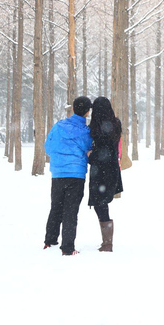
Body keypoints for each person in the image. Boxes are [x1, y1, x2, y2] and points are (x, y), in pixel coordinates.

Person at [43, 96, 93, 256]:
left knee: (56, 206)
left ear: (72, 109)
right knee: (71, 211)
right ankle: (68, 247)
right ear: (87, 112)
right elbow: (89, 150)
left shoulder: (58, 127)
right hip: (76, 175)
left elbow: (48, 148)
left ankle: (49, 240)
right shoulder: (86, 132)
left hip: (58, 173)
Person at [88, 96, 124, 252]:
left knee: (100, 203)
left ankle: (107, 243)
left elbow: (103, 151)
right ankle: (107, 241)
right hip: (112, 169)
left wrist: (90, 156)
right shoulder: (116, 123)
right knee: (102, 203)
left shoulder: (96, 127)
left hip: (100, 170)